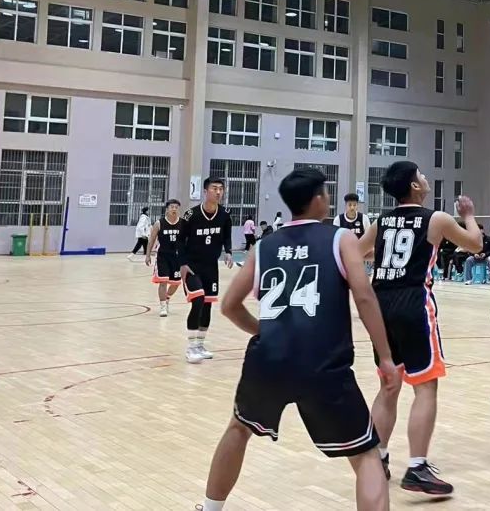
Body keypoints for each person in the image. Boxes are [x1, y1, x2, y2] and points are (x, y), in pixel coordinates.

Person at [196, 168, 399, 511]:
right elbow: (364, 297)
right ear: (318, 199)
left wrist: (263, 331)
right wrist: (386, 357)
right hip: (322, 361)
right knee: (367, 455)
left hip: (268, 359)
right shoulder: (340, 239)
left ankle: (210, 508)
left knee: (239, 428)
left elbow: (229, 306)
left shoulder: (264, 246)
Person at [356, 161, 482, 496]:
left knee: (389, 386)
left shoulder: (382, 221)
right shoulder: (436, 219)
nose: (425, 178)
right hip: (413, 303)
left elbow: (357, 253)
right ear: (414, 186)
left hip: (380, 306)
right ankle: (417, 467)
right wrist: (469, 215)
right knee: (425, 387)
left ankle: (377, 459)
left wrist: (383, 257)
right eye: (422, 175)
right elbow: (475, 244)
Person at [179, 177, 235, 364]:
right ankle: (191, 347)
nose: (218, 192)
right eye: (214, 188)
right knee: (198, 300)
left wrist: (228, 252)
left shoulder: (225, 215)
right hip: (192, 266)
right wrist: (183, 263)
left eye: (221, 189)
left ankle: (200, 345)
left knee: (208, 304)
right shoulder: (191, 215)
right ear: (205, 191)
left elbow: (227, 236)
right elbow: (180, 241)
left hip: (211, 267)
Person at [146, 199, 183, 317]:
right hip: (163, 256)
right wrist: (148, 255)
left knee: (176, 283)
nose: (174, 209)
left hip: (177, 257)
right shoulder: (159, 223)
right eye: (172, 207)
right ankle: (162, 306)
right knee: (163, 282)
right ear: (167, 209)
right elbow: (151, 239)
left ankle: (167, 298)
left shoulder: (183, 223)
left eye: (176, 207)